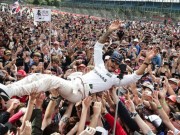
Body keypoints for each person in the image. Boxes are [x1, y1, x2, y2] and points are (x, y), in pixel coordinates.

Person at [0, 21, 156, 103]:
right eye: (113, 61)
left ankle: (11, 92)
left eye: (116, 64)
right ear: (109, 60)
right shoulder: (100, 64)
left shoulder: (116, 79)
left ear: (118, 66)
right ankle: (7, 88)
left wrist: (147, 61)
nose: (113, 64)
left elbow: (136, 76)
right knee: (36, 76)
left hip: (78, 92)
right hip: (73, 83)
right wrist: (109, 31)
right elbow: (98, 45)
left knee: (49, 79)